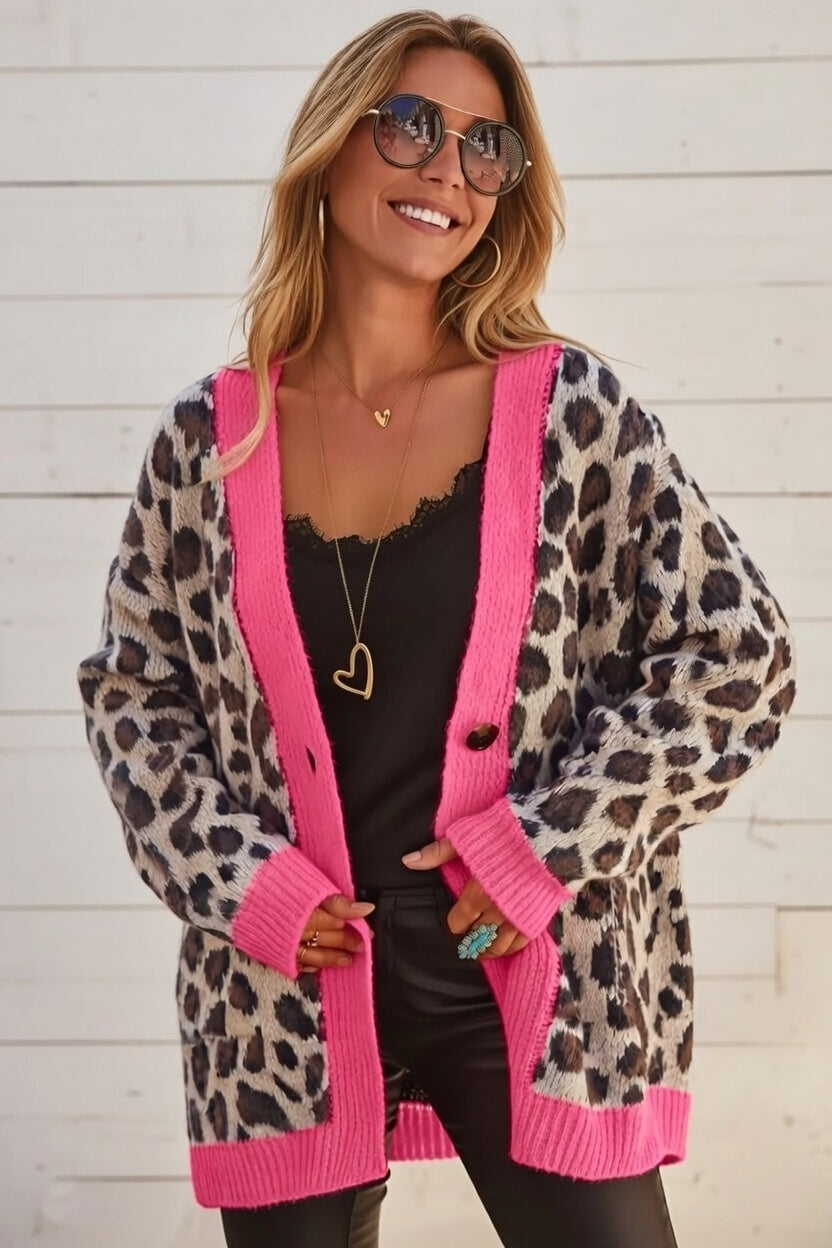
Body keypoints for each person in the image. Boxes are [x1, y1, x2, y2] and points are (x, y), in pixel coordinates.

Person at [75, 10, 796, 1248]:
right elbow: (133, 696)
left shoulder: (569, 411)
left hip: (522, 970)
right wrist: (245, 883)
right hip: (287, 995)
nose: (448, 171)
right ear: (330, 150)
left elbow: (740, 660)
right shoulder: (209, 440)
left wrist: (540, 850)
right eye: (411, 125)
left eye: (485, 147)